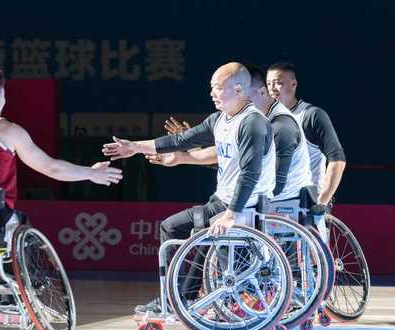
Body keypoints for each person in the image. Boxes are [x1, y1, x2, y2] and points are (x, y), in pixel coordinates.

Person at [0, 64, 122, 304]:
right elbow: (51, 167)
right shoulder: (5, 129)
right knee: (16, 225)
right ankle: (11, 294)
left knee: (7, 224)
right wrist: (90, 173)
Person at [102, 62, 275, 314]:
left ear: (239, 89)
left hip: (247, 205)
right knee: (172, 227)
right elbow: (181, 140)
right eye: (211, 88)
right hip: (220, 202)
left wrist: (230, 215)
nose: (212, 93)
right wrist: (135, 147)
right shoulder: (219, 120)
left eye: (218, 88)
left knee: (203, 229)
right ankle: (175, 298)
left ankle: (204, 297)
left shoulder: (252, 123)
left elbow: (250, 174)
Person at [159, 64, 312, 201]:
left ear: (262, 92)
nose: (240, 101)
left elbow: (274, 185)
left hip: (285, 204)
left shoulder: (281, 127)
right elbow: (230, 153)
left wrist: (232, 209)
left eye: (246, 96)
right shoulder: (246, 120)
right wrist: (189, 150)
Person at [266, 62, 345, 206]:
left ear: (294, 84)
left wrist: (321, 203)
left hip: (305, 203)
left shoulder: (312, 115)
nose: (272, 89)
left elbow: (337, 160)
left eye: (278, 83)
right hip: (271, 201)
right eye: (268, 84)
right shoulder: (264, 118)